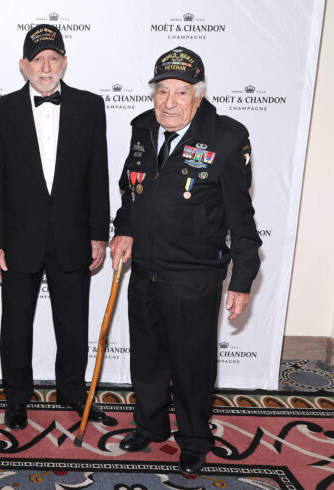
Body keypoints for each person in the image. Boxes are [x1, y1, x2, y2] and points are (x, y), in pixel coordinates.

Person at [109, 46, 261, 474]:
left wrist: (242, 279)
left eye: (180, 92)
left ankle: (194, 438)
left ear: (199, 94)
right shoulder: (142, 127)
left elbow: (242, 219)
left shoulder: (228, 138)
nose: (169, 102)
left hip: (194, 276)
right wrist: (125, 228)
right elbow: (131, 188)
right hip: (145, 268)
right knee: (147, 356)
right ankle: (152, 426)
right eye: (162, 91)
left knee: (192, 363)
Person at [0, 24, 110, 431]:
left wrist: (98, 234)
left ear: (65, 63)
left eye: (54, 58)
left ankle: (71, 390)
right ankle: (17, 398)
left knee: (73, 322)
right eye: (38, 59)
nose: (46, 66)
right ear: (23, 66)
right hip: (18, 238)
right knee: (15, 323)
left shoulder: (91, 107)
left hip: (73, 236)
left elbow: (97, 175)